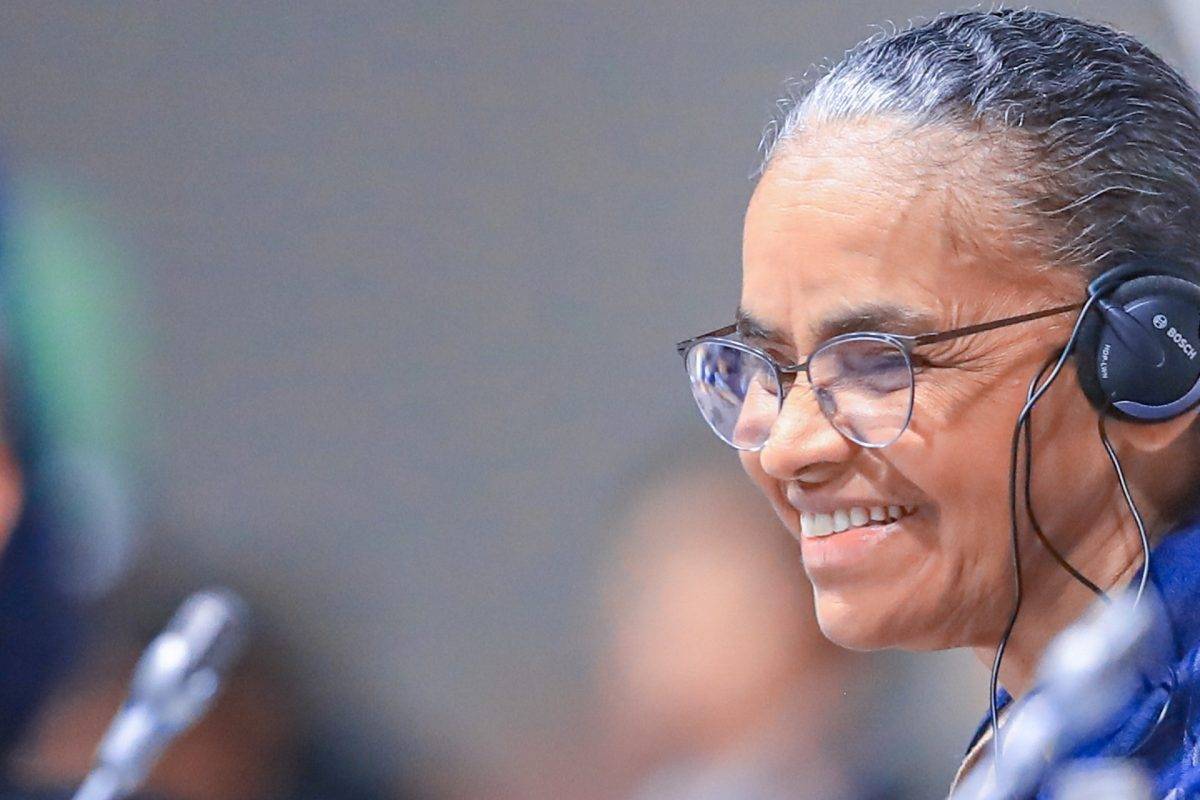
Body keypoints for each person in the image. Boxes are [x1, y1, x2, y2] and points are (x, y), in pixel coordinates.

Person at [674, 9, 1200, 798]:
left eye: (877, 365)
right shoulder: (1060, 738)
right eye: (768, 368)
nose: (786, 448)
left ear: (1146, 360)